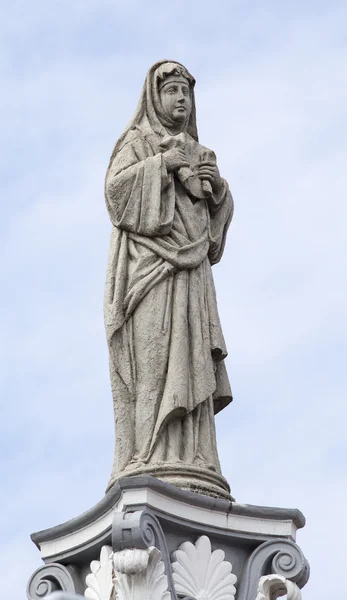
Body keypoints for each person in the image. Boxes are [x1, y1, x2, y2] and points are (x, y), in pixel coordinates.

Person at [104, 60, 234, 498]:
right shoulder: (137, 144)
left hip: (192, 274)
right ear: (153, 97)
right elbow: (116, 197)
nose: (181, 99)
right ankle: (146, 451)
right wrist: (161, 165)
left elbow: (212, 229)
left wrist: (217, 191)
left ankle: (196, 456)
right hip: (151, 275)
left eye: (186, 92)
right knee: (154, 364)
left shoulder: (201, 152)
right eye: (172, 91)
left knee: (193, 356)